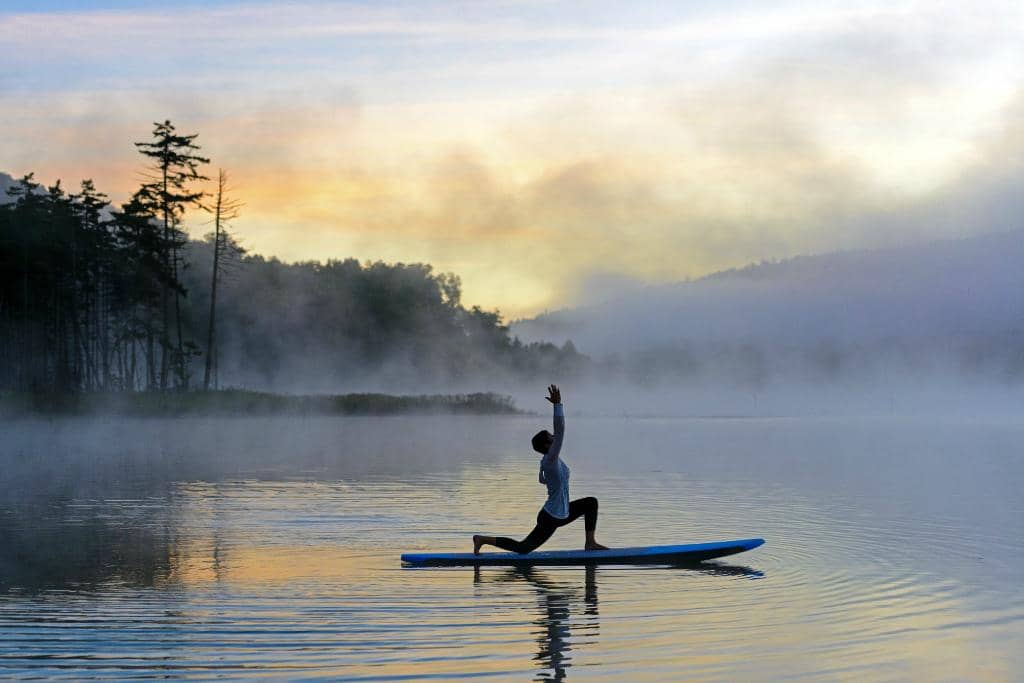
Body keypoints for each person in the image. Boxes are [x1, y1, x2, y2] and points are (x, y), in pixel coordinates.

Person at [473, 385, 608, 554]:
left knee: (591, 503)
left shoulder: (551, 461)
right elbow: (561, 430)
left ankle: (590, 543)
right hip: (551, 517)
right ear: (547, 445)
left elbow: (547, 477)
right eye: (551, 437)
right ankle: (482, 539)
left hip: (561, 512)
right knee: (523, 548)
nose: (554, 436)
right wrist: (557, 405)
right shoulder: (550, 461)